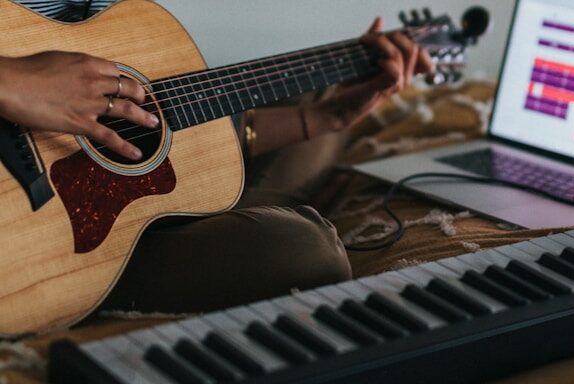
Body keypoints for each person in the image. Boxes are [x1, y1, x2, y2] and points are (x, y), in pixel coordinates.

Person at [0, 1, 433, 313]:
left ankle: (207, 208)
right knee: (310, 250)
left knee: (319, 88)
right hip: (37, 246)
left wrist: (323, 118)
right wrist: (17, 81)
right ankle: (77, 284)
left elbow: (153, 119)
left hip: (112, 196)